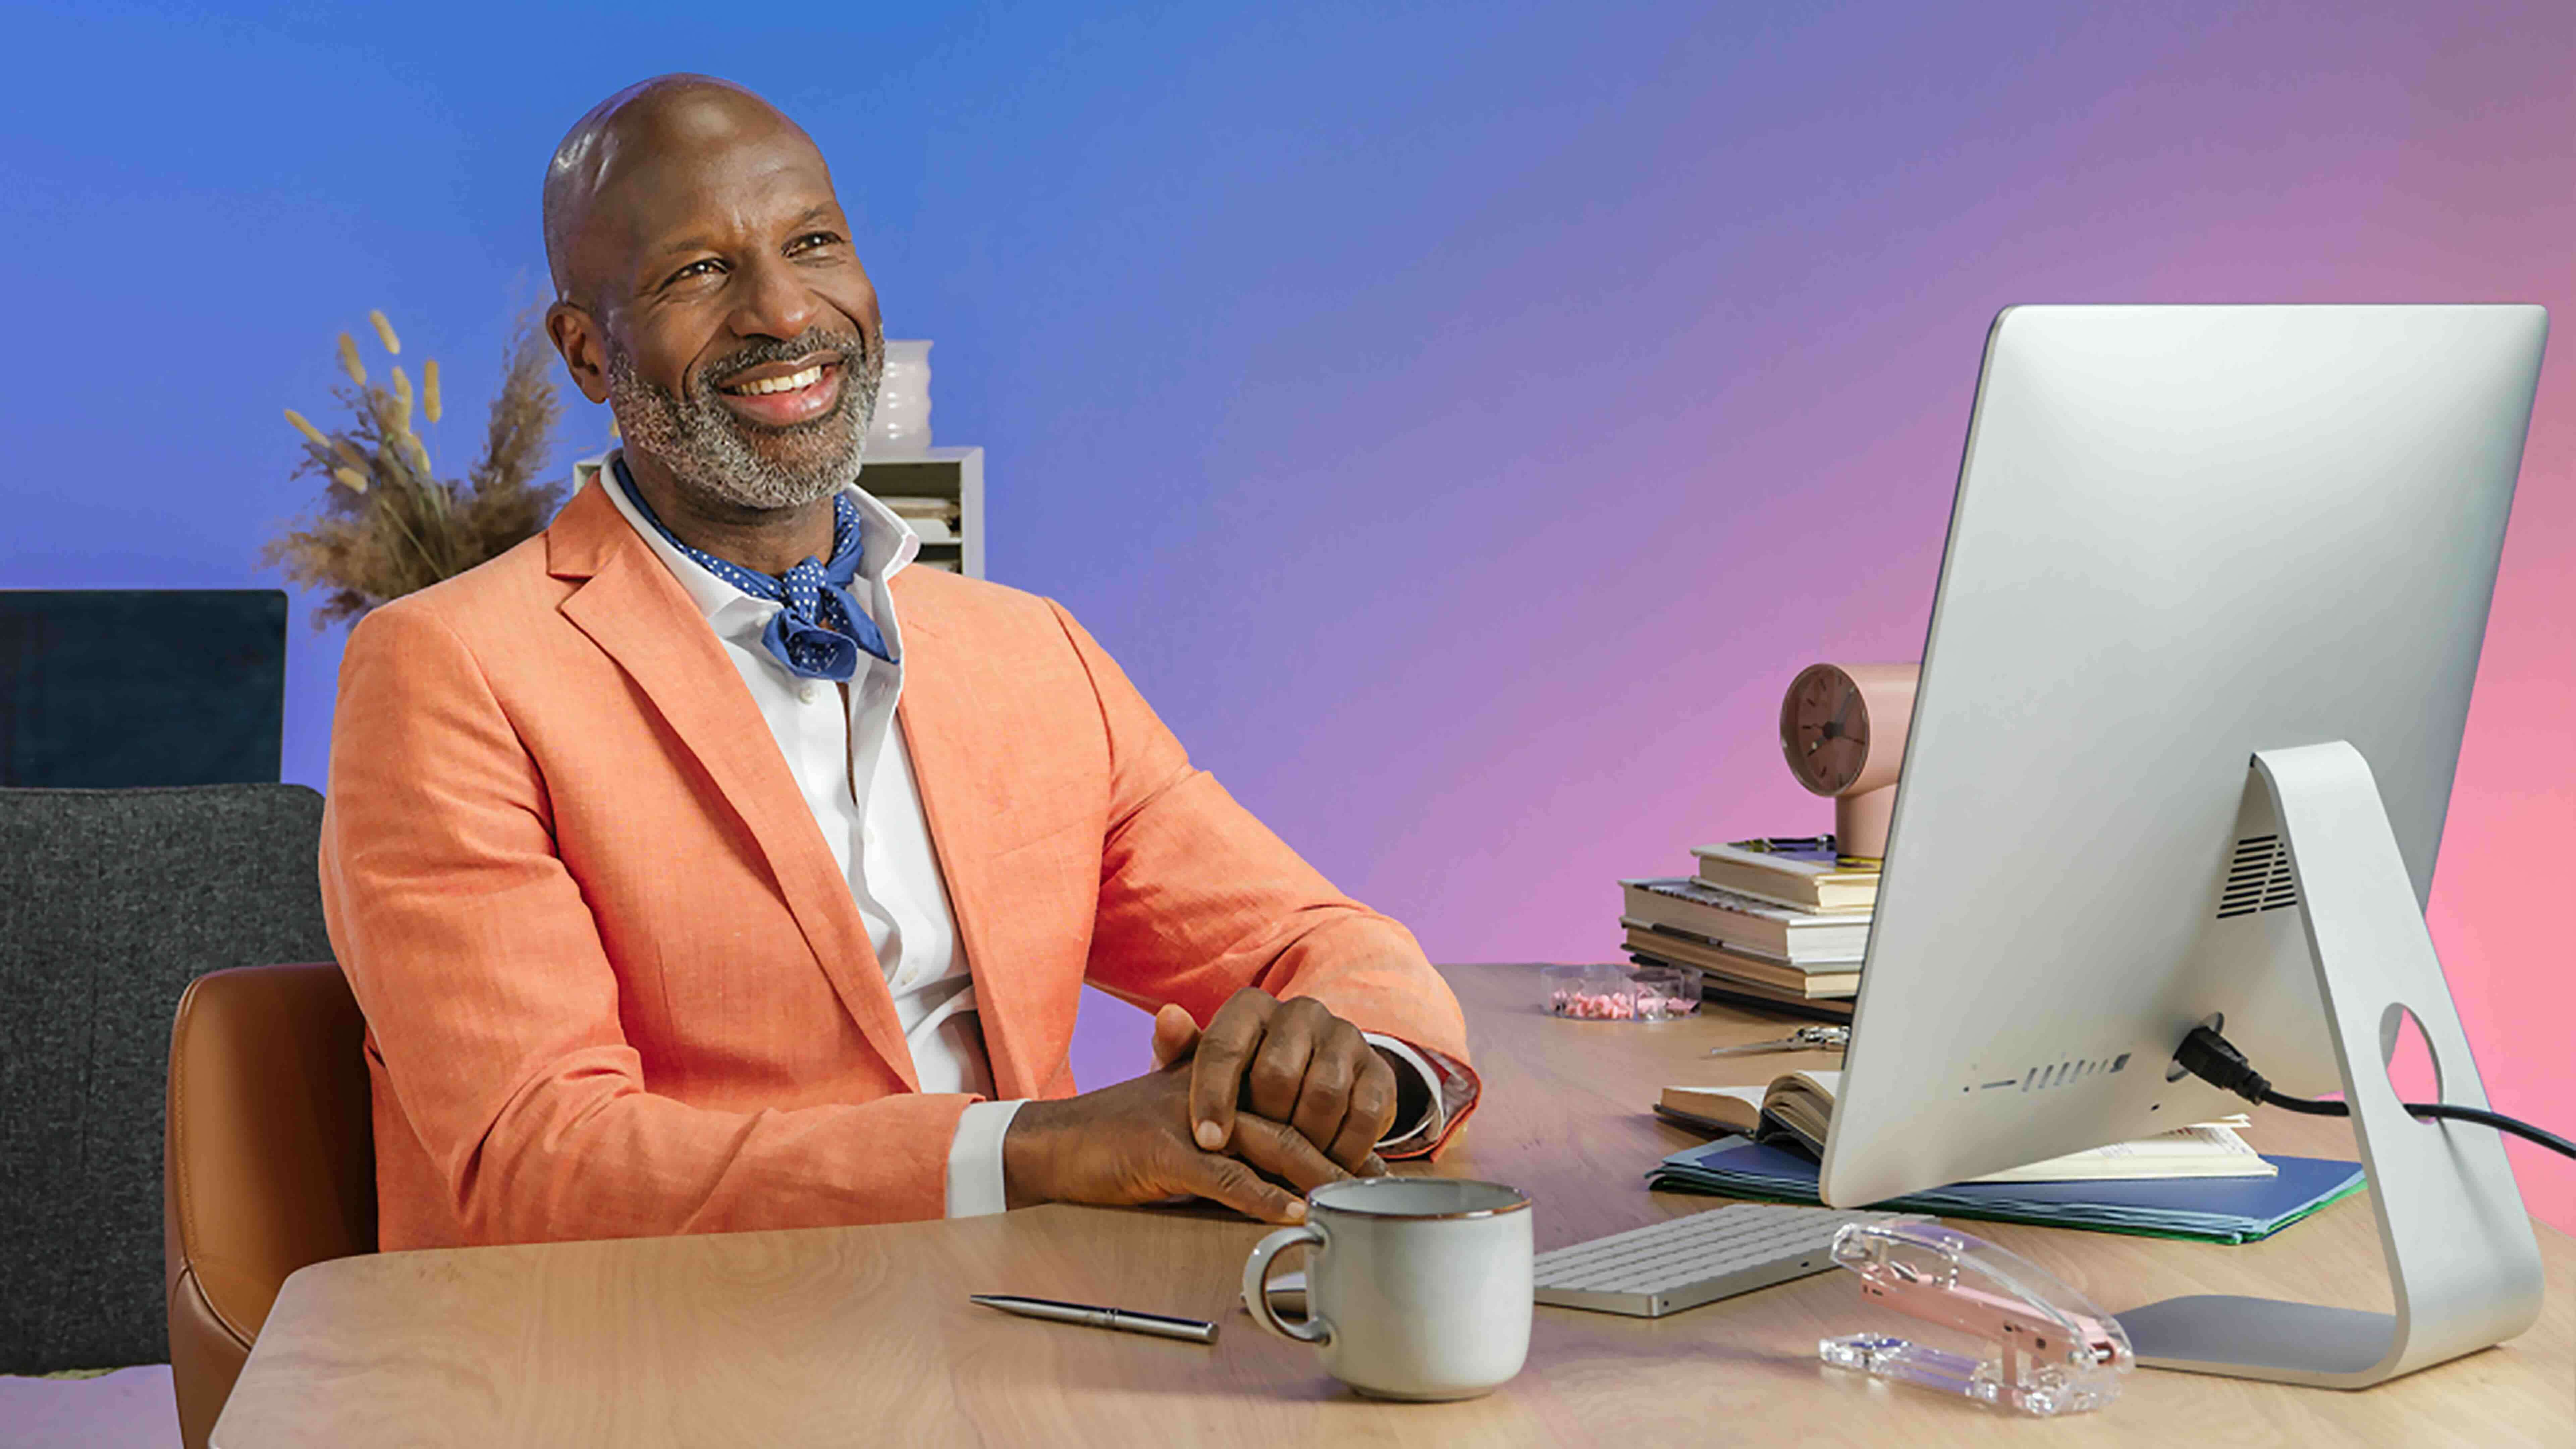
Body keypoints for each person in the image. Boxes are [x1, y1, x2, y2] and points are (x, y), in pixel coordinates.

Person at [318, 74, 1478, 1251]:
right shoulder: (449, 669)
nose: (782, 312)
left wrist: (1353, 1067)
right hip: (660, 1354)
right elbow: (539, 1160)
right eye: (697, 271)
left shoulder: (1031, 651)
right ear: (587, 352)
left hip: (1038, 1329)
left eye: (813, 242)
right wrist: (1037, 1151)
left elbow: (1323, 943)